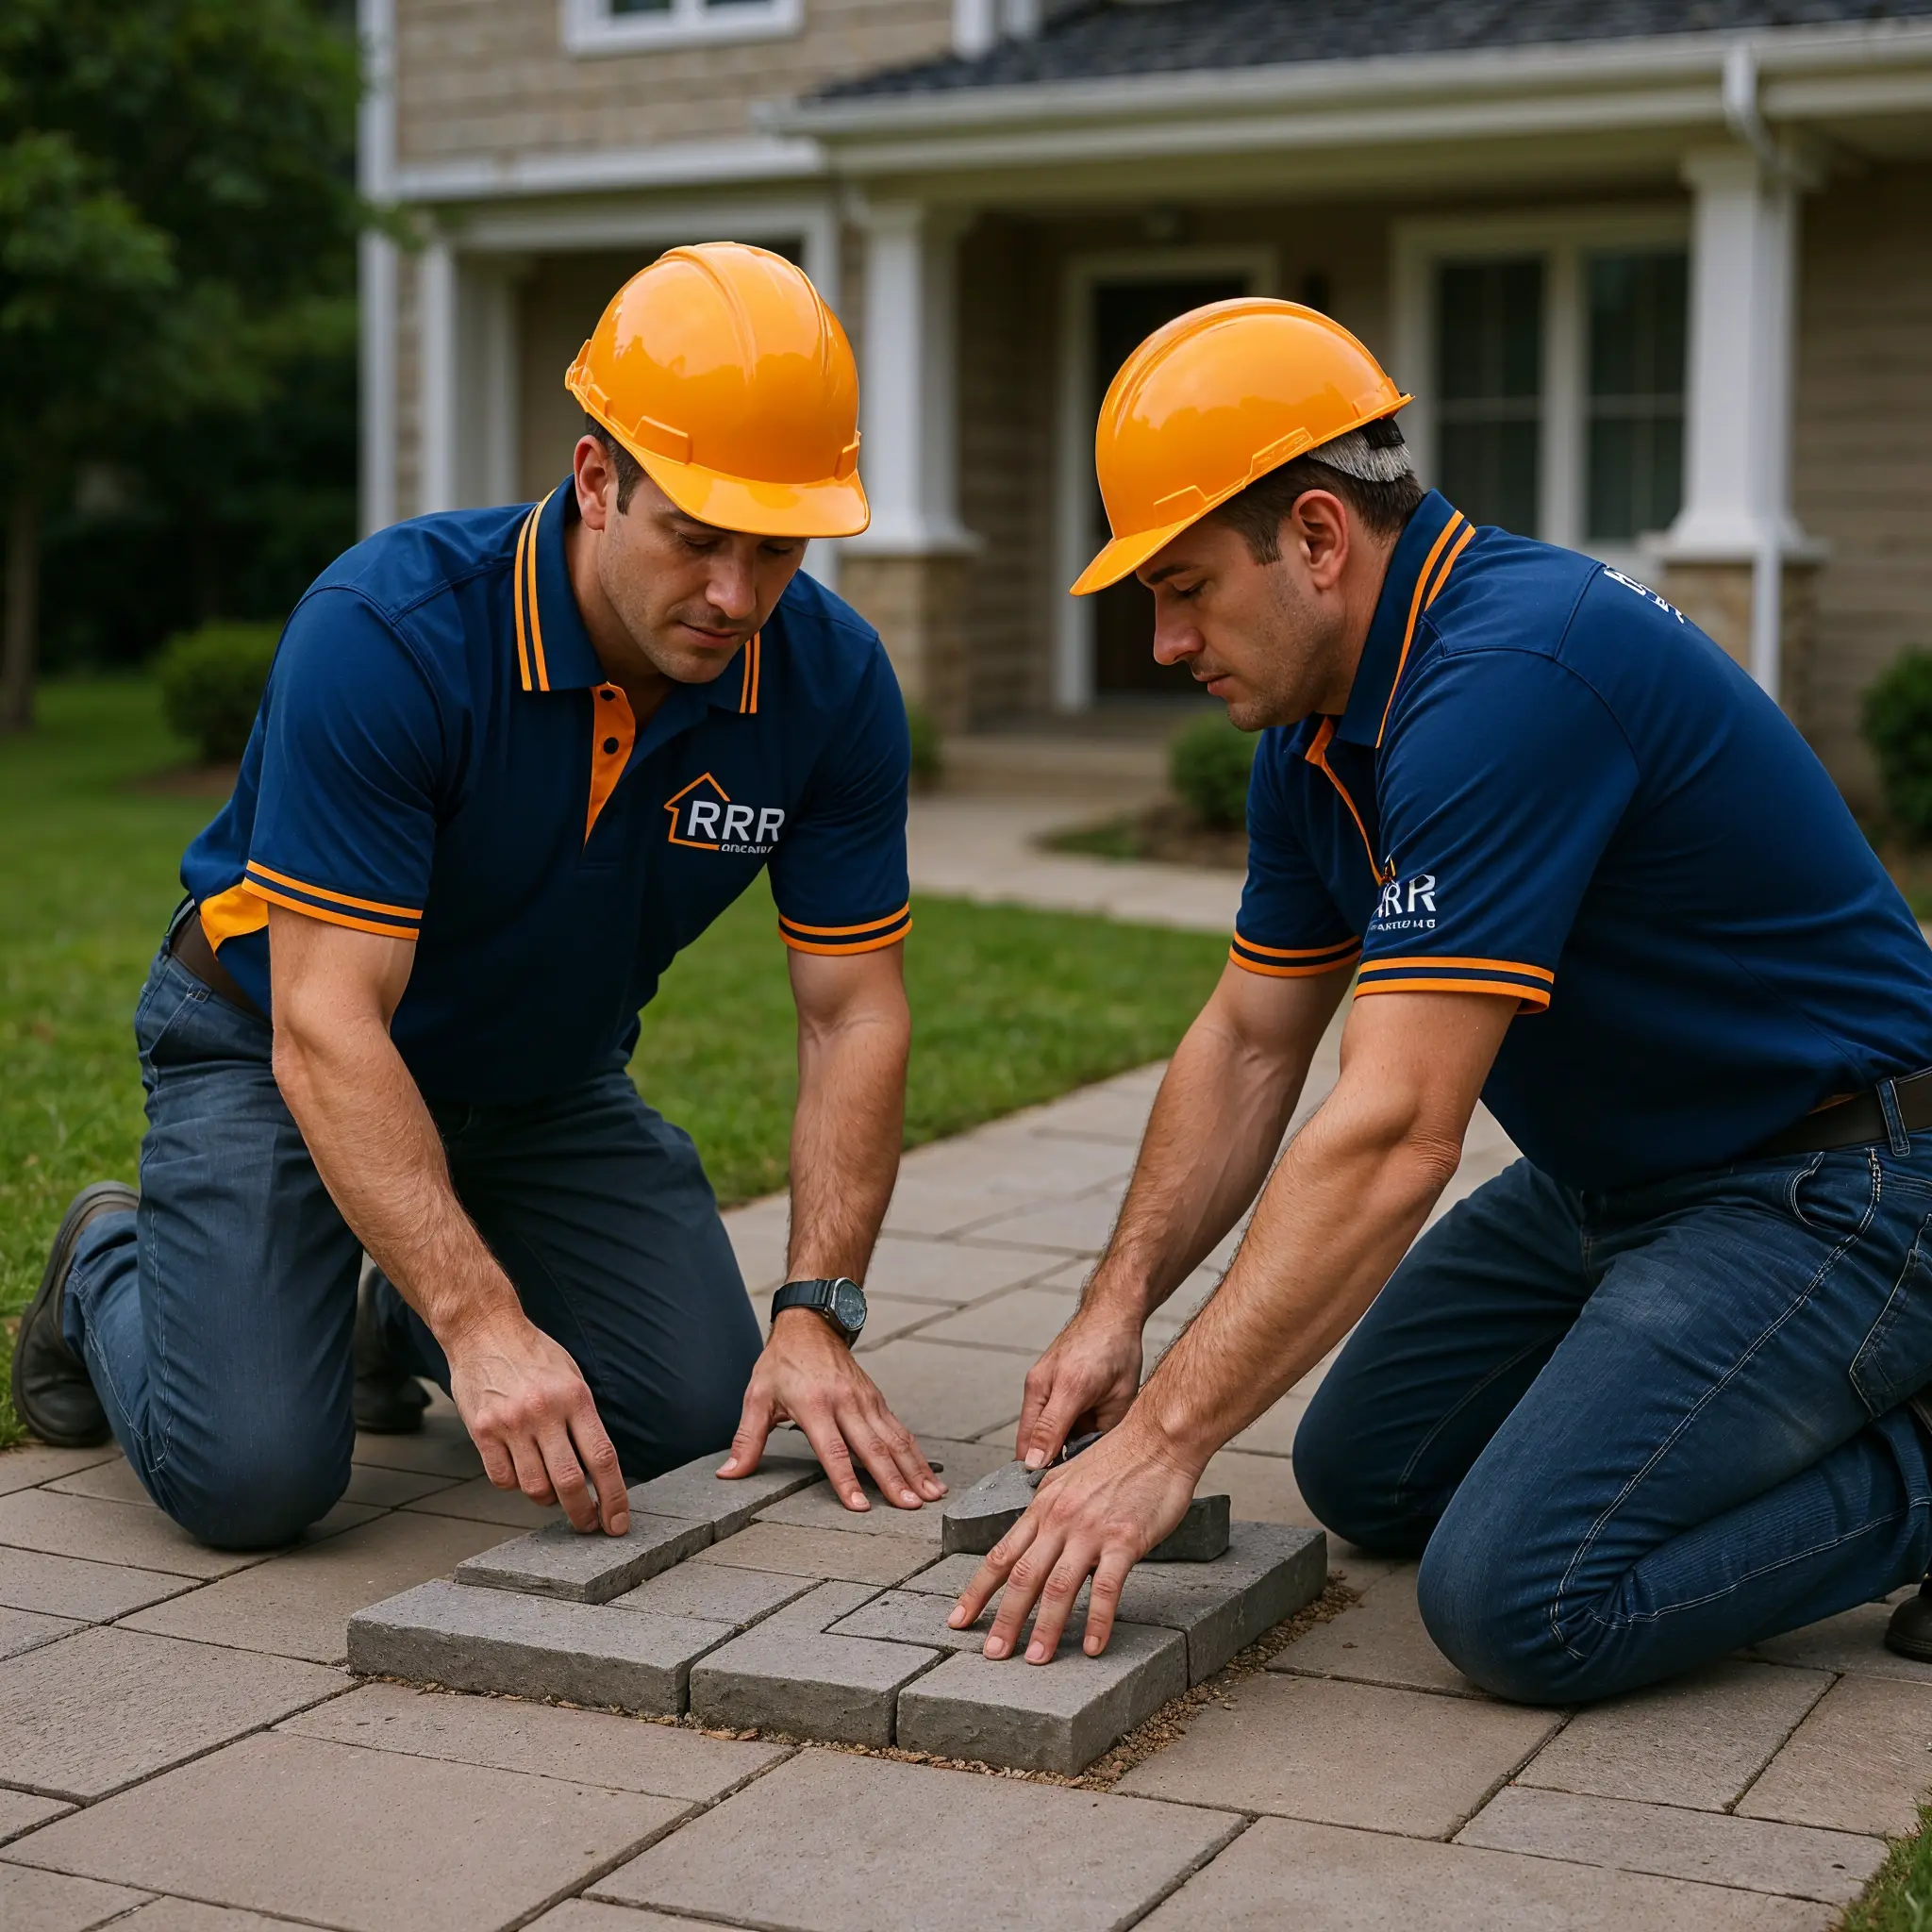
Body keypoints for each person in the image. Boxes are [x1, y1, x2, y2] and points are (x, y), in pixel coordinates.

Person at [950, 296, 1932, 1702]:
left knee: (1520, 1602)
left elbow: (1400, 1126)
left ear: (1316, 537)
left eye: (1181, 588)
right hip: (1617, 1179)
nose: (1163, 645)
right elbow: (1246, 1040)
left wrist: (1162, 1444)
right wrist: (1120, 1310)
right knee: (1368, 1473)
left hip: (1843, 1179)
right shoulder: (1311, 733)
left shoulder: (1510, 677)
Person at [12, 243, 941, 1548]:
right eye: (697, 538)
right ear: (597, 479)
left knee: (692, 1429)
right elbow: (328, 1026)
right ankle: (106, 1261)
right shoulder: (391, 633)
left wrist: (815, 1313)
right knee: (258, 1480)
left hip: (541, 1083)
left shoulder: (831, 685)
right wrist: (484, 1326)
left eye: (779, 549)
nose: (739, 596)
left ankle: (383, 1285)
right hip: (275, 1046)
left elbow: (856, 1015)